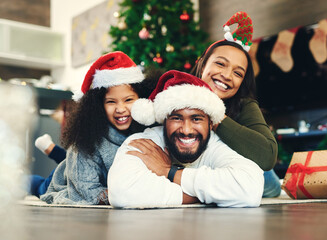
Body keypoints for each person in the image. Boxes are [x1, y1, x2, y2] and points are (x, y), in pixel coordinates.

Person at [108, 70, 264, 208]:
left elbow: (250, 190)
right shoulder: (144, 142)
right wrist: (206, 197)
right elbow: (121, 193)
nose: (186, 130)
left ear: (210, 124)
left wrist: (170, 172)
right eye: (177, 118)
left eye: (196, 119)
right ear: (164, 122)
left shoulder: (217, 143)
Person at [37, 51, 157, 205]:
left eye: (128, 100)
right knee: (38, 186)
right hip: (68, 179)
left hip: (80, 168)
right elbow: (88, 190)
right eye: (111, 102)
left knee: (65, 159)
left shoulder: (149, 131)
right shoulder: (88, 139)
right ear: (98, 106)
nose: (120, 109)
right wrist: (127, 195)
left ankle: (50, 148)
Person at [190, 11, 281, 197]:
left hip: (254, 177)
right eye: (220, 64)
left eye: (238, 73)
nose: (227, 75)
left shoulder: (244, 105)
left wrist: (217, 117)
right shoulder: (175, 95)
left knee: (272, 185)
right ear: (201, 64)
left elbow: (267, 156)